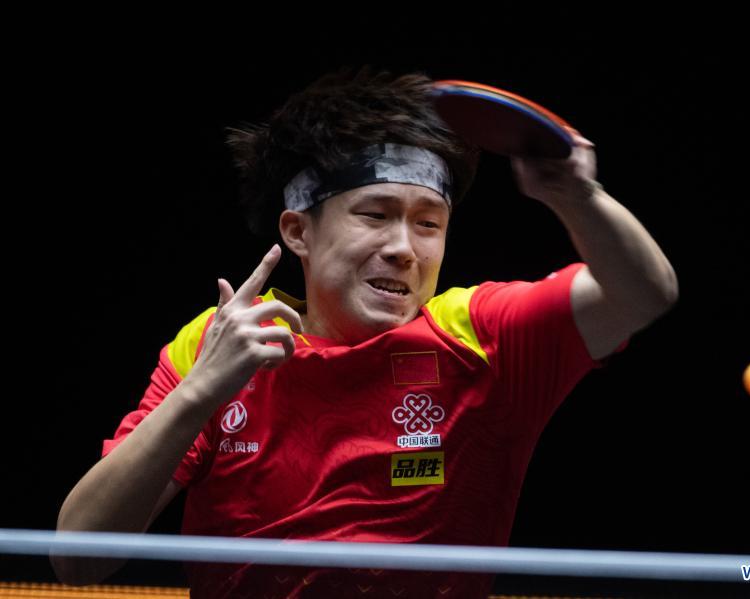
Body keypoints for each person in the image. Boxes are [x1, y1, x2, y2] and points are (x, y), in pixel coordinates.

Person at [53, 65, 679, 598]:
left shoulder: (482, 336)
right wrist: (200, 394)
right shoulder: (219, 343)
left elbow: (643, 292)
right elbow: (78, 560)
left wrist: (577, 196)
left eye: (429, 224)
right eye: (375, 215)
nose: (404, 248)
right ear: (298, 231)